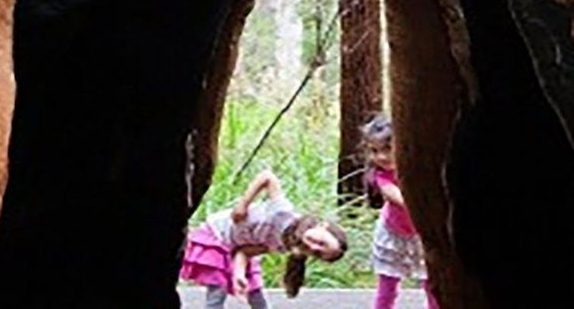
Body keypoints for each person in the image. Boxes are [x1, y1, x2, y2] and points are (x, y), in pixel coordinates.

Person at [179, 169, 348, 306]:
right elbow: (267, 177)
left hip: (236, 245)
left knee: (255, 291)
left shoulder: (284, 246)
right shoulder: (283, 213)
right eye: (321, 243)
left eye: (317, 254)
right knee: (217, 290)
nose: (314, 248)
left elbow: (244, 252)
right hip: (217, 235)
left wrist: (239, 275)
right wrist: (243, 205)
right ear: (322, 226)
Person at [362, 115, 439, 309]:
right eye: (374, 151)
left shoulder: (417, 169)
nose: (381, 157)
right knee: (388, 286)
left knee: (431, 285)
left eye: (387, 149)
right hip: (394, 235)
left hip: (419, 235)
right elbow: (401, 199)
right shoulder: (381, 176)